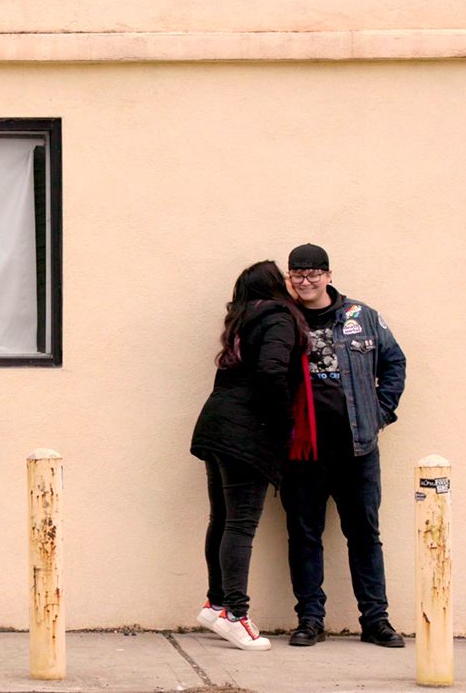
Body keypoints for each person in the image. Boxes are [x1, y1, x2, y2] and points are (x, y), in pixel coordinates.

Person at [281, 243, 407, 648]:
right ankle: (310, 619)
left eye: (314, 272)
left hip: (357, 448)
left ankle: (375, 620)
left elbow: (394, 363)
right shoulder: (283, 319)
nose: (306, 280)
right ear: (290, 277)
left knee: (365, 534)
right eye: (298, 273)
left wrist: (381, 413)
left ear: (329, 276)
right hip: (303, 452)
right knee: (304, 535)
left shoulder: (361, 317)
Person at [190, 261, 312, 651]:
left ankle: (217, 603)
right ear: (275, 286)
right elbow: (272, 372)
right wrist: (283, 422)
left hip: (217, 424)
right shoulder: (278, 318)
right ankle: (234, 614)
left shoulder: (243, 320)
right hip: (247, 432)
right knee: (241, 524)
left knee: (223, 519)